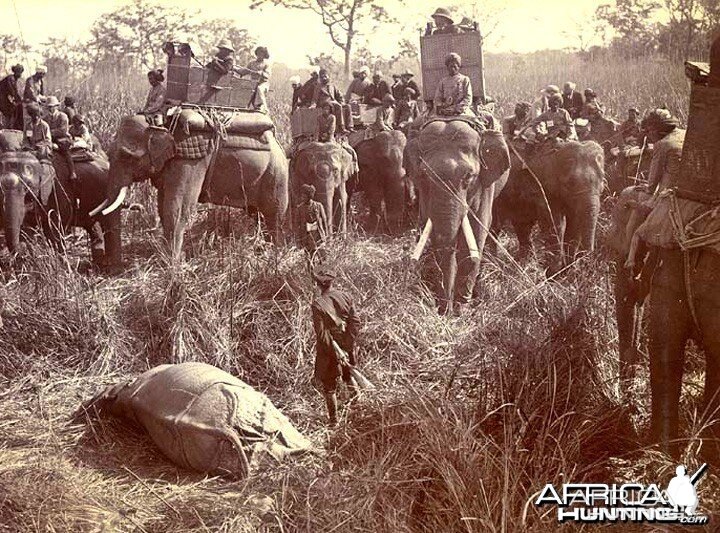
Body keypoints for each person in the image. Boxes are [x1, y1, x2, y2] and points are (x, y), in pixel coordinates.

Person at [310, 266, 361, 426]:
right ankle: (359, 412)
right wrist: (348, 345)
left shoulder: (317, 305)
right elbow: (355, 322)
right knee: (349, 377)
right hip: (346, 345)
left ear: (317, 284)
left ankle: (334, 423)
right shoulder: (346, 296)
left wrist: (335, 351)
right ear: (332, 282)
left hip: (329, 350)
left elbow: (322, 334)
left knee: (329, 386)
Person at [45, 96, 78, 181]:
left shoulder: (62, 116)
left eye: (53, 106)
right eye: (49, 107)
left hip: (62, 138)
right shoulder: (45, 118)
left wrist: (49, 132)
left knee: (65, 151)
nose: (51, 109)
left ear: (56, 106)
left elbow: (63, 130)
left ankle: (72, 172)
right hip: (50, 139)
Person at [312, 68, 353, 133]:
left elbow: (339, 95)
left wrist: (342, 102)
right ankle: (341, 127)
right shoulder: (318, 87)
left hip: (333, 102)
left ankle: (350, 126)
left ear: (328, 76)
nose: (324, 78)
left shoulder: (332, 85)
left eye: (325, 76)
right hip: (324, 103)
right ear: (320, 78)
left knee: (348, 106)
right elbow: (315, 98)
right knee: (338, 106)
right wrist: (313, 105)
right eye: (322, 77)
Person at [294, 184, 329, 260]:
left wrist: (326, 236)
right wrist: (298, 240)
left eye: (304, 196)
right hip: (307, 237)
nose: (302, 198)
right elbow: (297, 225)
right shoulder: (299, 209)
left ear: (309, 196)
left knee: (322, 258)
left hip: (319, 236)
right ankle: (311, 272)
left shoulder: (318, 206)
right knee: (309, 260)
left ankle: (322, 272)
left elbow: (324, 221)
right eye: (302, 196)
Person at [237, 46, 271, 113]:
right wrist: (235, 69)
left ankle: (260, 106)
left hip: (263, 83)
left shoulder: (266, 64)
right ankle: (242, 105)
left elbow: (267, 75)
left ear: (264, 55)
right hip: (253, 83)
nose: (259, 55)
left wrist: (261, 73)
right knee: (244, 87)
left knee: (259, 89)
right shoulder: (251, 63)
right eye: (258, 53)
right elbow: (244, 71)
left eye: (262, 54)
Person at [0, 64, 24, 129]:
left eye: (20, 72)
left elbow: (15, 92)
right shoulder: (10, 78)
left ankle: (15, 126)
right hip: (2, 98)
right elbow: (12, 91)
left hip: (5, 97)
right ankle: (10, 126)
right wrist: (17, 100)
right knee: (13, 108)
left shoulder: (15, 80)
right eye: (18, 72)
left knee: (18, 106)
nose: (20, 74)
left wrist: (20, 100)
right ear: (15, 72)